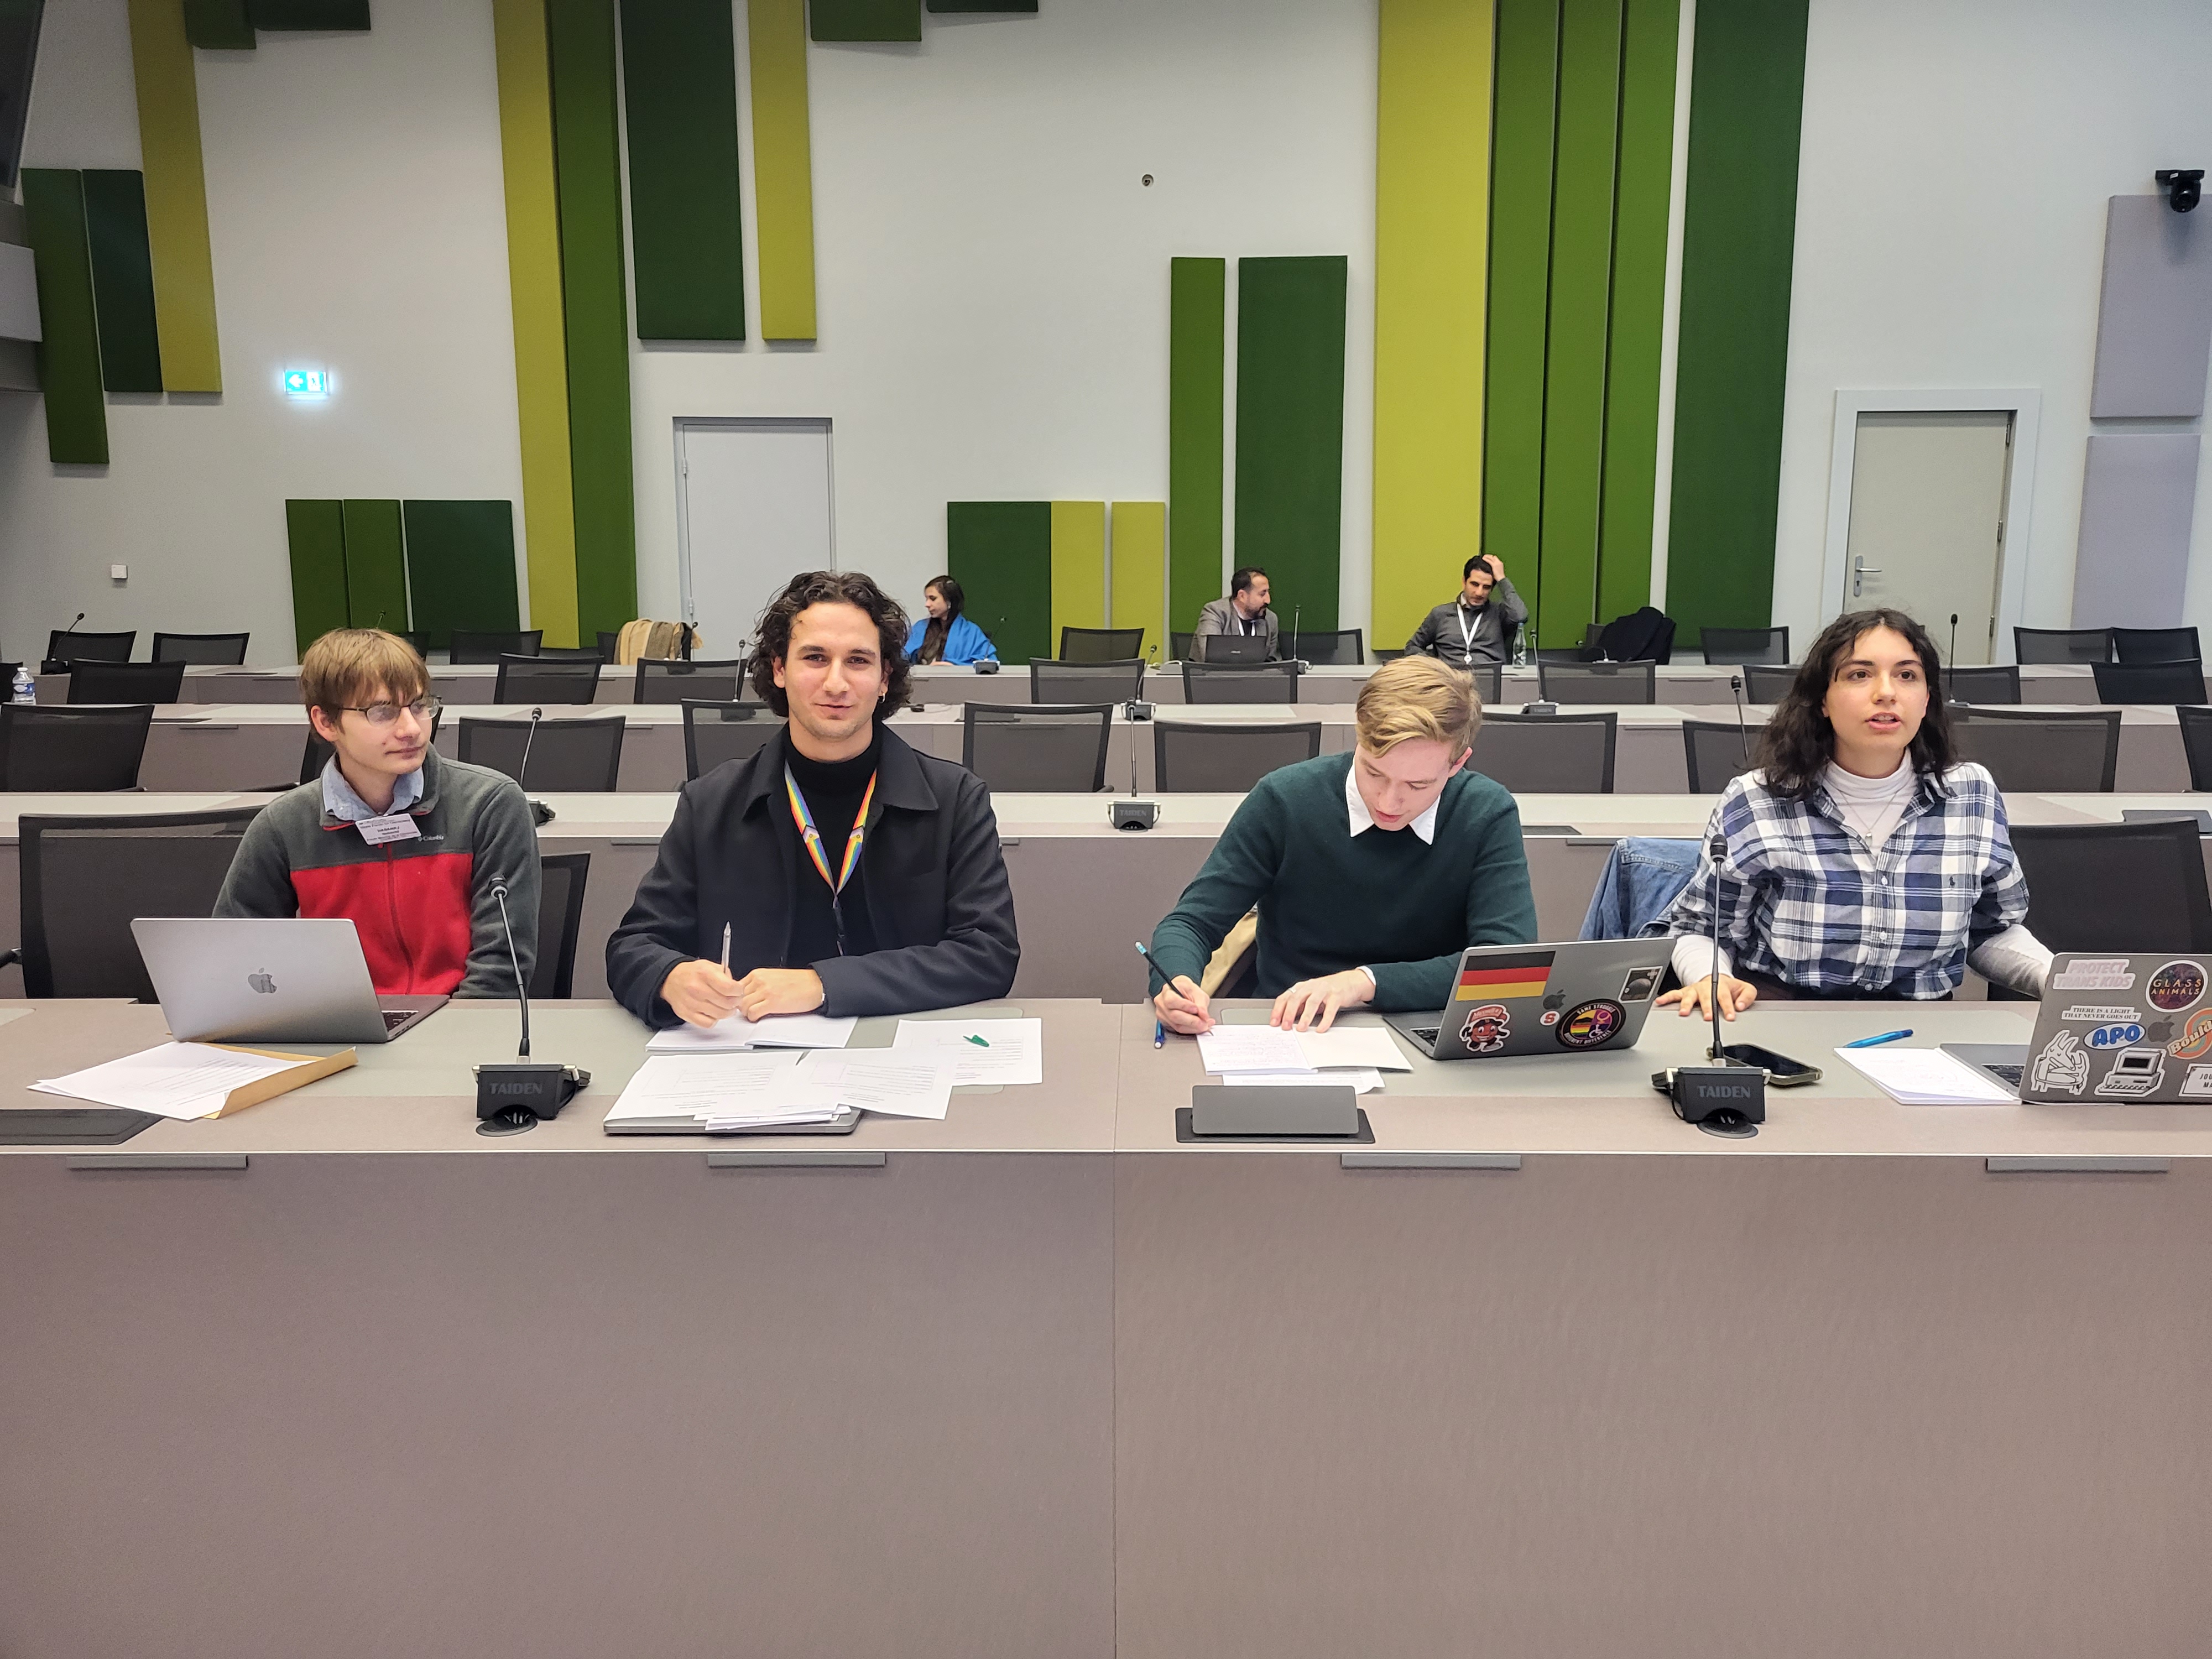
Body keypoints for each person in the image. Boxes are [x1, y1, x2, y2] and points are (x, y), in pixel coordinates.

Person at [607, 569, 1019, 1026]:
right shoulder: (710, 803)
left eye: (859, 661)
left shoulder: (955, 800)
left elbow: (989, 954)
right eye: (816, 658)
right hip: (749, 1069)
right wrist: (670, 976)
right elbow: (633, 945)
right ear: (780, 670)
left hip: (903, 1059)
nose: (836, 683)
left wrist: (824, 984)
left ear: (885, 677)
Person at [1656, 607, 2051, 1021]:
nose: (1886, 693)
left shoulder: (1971, 794)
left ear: (1927, 698)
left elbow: (1992, 929)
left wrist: (2056, 978)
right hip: (1785, 1020)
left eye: (1907, 675)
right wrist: (1710, 978)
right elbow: (1699, 929)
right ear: (1822, 700)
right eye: (1859, 674)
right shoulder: (1758, 799)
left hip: (1921, 1030)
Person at [1147, 655, 1537, 1033]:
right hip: (1290, 1026)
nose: (1388, 802)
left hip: (1434, 1027)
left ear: (1457, 763)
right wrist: (1174, 982)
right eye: (1374, 772)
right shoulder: (1286, 799)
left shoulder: (1485, 812)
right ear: (1358, 734)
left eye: (1417, 785)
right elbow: (1191, 923)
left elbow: (1505, 966)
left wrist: (1364, 983)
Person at [215, 628, 540, 996]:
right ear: (325, 723)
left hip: (460, 1029)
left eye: (419, 707)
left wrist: (448, 1040)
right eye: (382, 712)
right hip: (340, 1032)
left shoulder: (489, 804)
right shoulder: (284, 825)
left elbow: (500, 967)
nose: (411, 729)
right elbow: (236, 956)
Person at [1405, 554, 1526, 666]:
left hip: (1489, 681)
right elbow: (1412, 647)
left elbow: (1521, 616)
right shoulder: (1440, 614)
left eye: (1486, 587)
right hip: (1450, 682)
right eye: (1474, 584)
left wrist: (1502, 579)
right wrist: (1435, 666)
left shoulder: (1499, 613)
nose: (1479, 593)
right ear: (1464, 582)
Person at [903, 575, 998, 666]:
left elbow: (990, 663)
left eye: (933, 599)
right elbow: (902, 659)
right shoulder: (920, 627)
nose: (927, 604)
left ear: (949, 601)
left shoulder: (971, 632)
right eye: (927, 599)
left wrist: (954, 666)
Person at [1191, 567, 1277, 658]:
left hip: (1256, 672)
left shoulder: (1270, 619)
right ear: (1242, 596)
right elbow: (1212, 656)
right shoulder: (1215, 612)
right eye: (1262, 594)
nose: (1268, 600)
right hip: (1216, 672)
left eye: (1268, 592)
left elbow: (1272, 662)